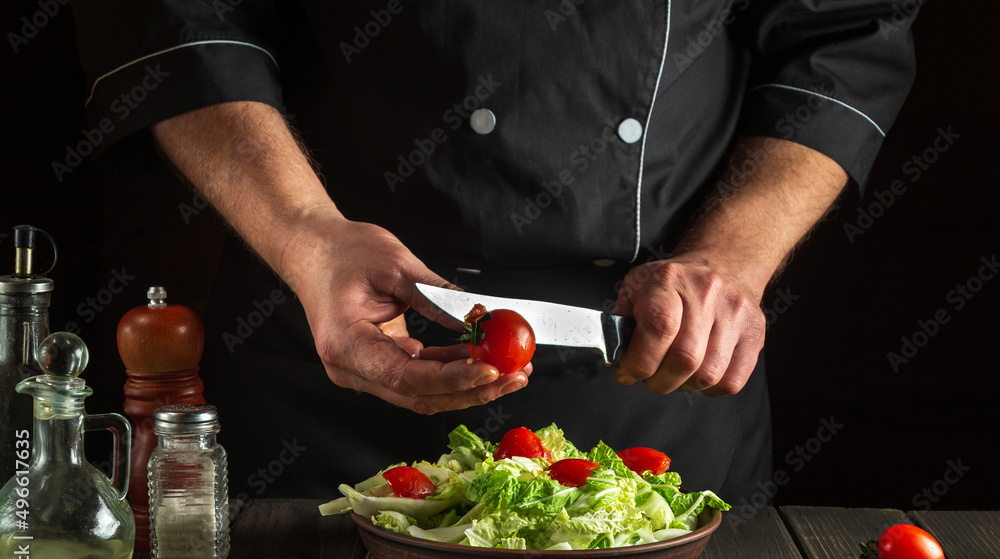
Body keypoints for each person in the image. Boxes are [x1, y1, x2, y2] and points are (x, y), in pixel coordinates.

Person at [70, 2, 916, 501]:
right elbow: (174, 14)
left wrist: (734, 255)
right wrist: (306, 236)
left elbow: (846, 31)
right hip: (326, 357)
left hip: (657, 376)